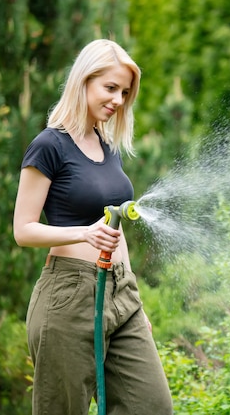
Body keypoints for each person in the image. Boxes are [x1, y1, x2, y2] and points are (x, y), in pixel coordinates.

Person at [13, 39, 173, 415]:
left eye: (125, 92)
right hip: (69, 296)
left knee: (152, 407)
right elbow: (23, 230)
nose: (119, 100)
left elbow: (115, 229)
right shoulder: (49, 146)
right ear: (83, 82)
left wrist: (135, 299)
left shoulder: (108, 147)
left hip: (121, 292)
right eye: (111, 88)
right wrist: (83, 232)